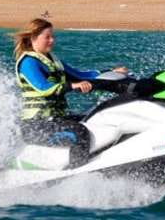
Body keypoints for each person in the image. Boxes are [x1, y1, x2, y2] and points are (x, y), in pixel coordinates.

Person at [13, 18, 126, 160]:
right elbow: (43, 88)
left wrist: (111, 72)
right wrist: (72, 85)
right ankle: (76, 170)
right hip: (36, 126)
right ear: (33, 38)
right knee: (80, 132)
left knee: (94, 118)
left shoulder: (53, 61)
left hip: (56, 119)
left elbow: (80, 75)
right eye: (47, 37)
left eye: (53, 36)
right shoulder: (28, 62)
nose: (52, 40)